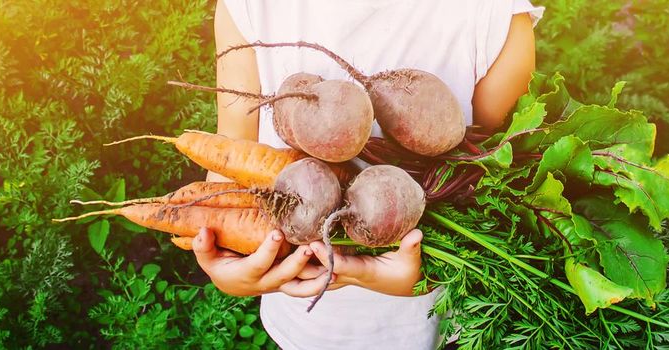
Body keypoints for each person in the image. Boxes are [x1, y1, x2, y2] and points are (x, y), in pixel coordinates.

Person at [190, 1, 543, 348]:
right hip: (303, 319)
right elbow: (229, 157)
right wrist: (230, 267)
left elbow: (493, 184)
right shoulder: (251, 7)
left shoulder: (495, 19)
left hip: (425, 317)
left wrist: (425, 276)